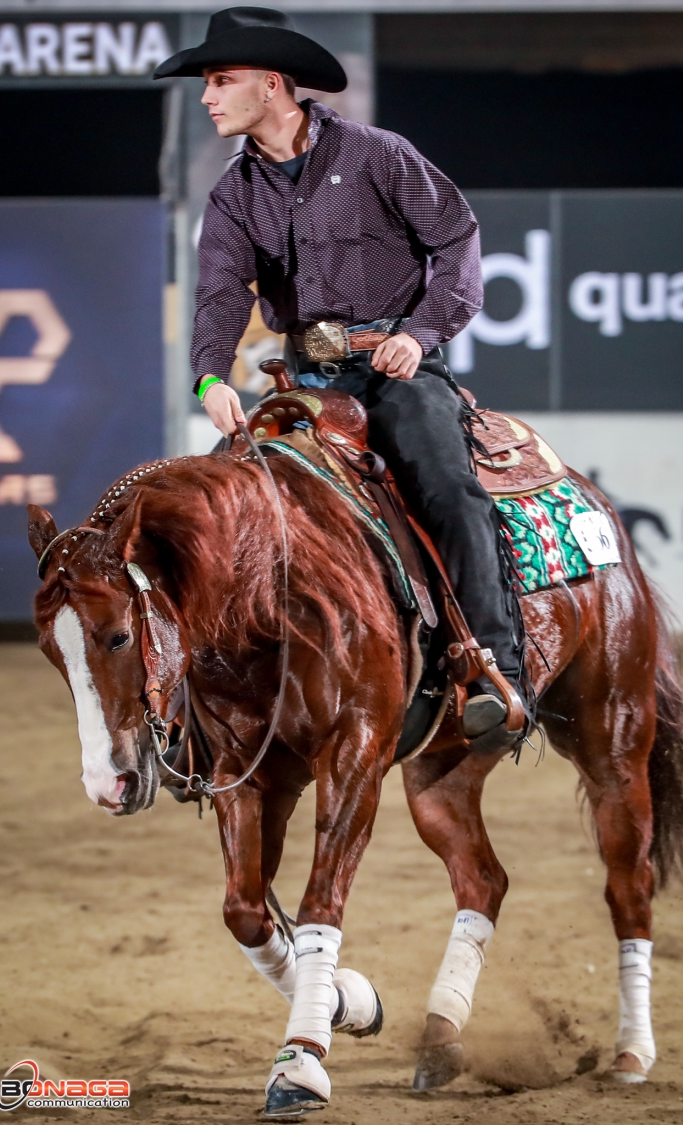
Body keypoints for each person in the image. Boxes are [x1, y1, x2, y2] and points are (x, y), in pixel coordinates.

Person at [155, 6, 528, 747]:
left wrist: (421, 337)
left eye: (220, 80)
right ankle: (215, 694)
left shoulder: (377, 155)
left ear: (272, 84)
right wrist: (208, 378)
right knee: (233, 506)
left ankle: (493, 666)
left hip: (395, 367)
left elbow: (456, 241)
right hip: (305, 382)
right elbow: (223, 294)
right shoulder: (234, 195)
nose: (207, 98)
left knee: (447, 486)